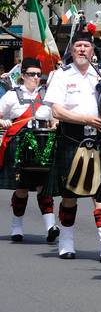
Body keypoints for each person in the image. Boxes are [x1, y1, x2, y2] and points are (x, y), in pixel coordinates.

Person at [42, 25, 101, 260]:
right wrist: (86, 119)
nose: (82, 49)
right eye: (78, 46)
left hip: (100, 138)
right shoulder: (62, 75)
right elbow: (56, 110)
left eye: (86, 46)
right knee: (69, 194)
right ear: (72, 51)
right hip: (72, 136)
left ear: (92, 50)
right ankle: (66, 242)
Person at [0, 57, 57, 243]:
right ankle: (17, 226)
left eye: (39, 75)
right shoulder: (11, 95)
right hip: (19, 143)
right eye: (31, 74)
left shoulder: (48, 96)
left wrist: (56, 125)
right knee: (21, 187)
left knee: (43, 185)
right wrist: (3, 121)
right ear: (22, 75)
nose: (35, 78)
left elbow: (53, 119)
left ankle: (51, 226)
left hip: (42, 144)